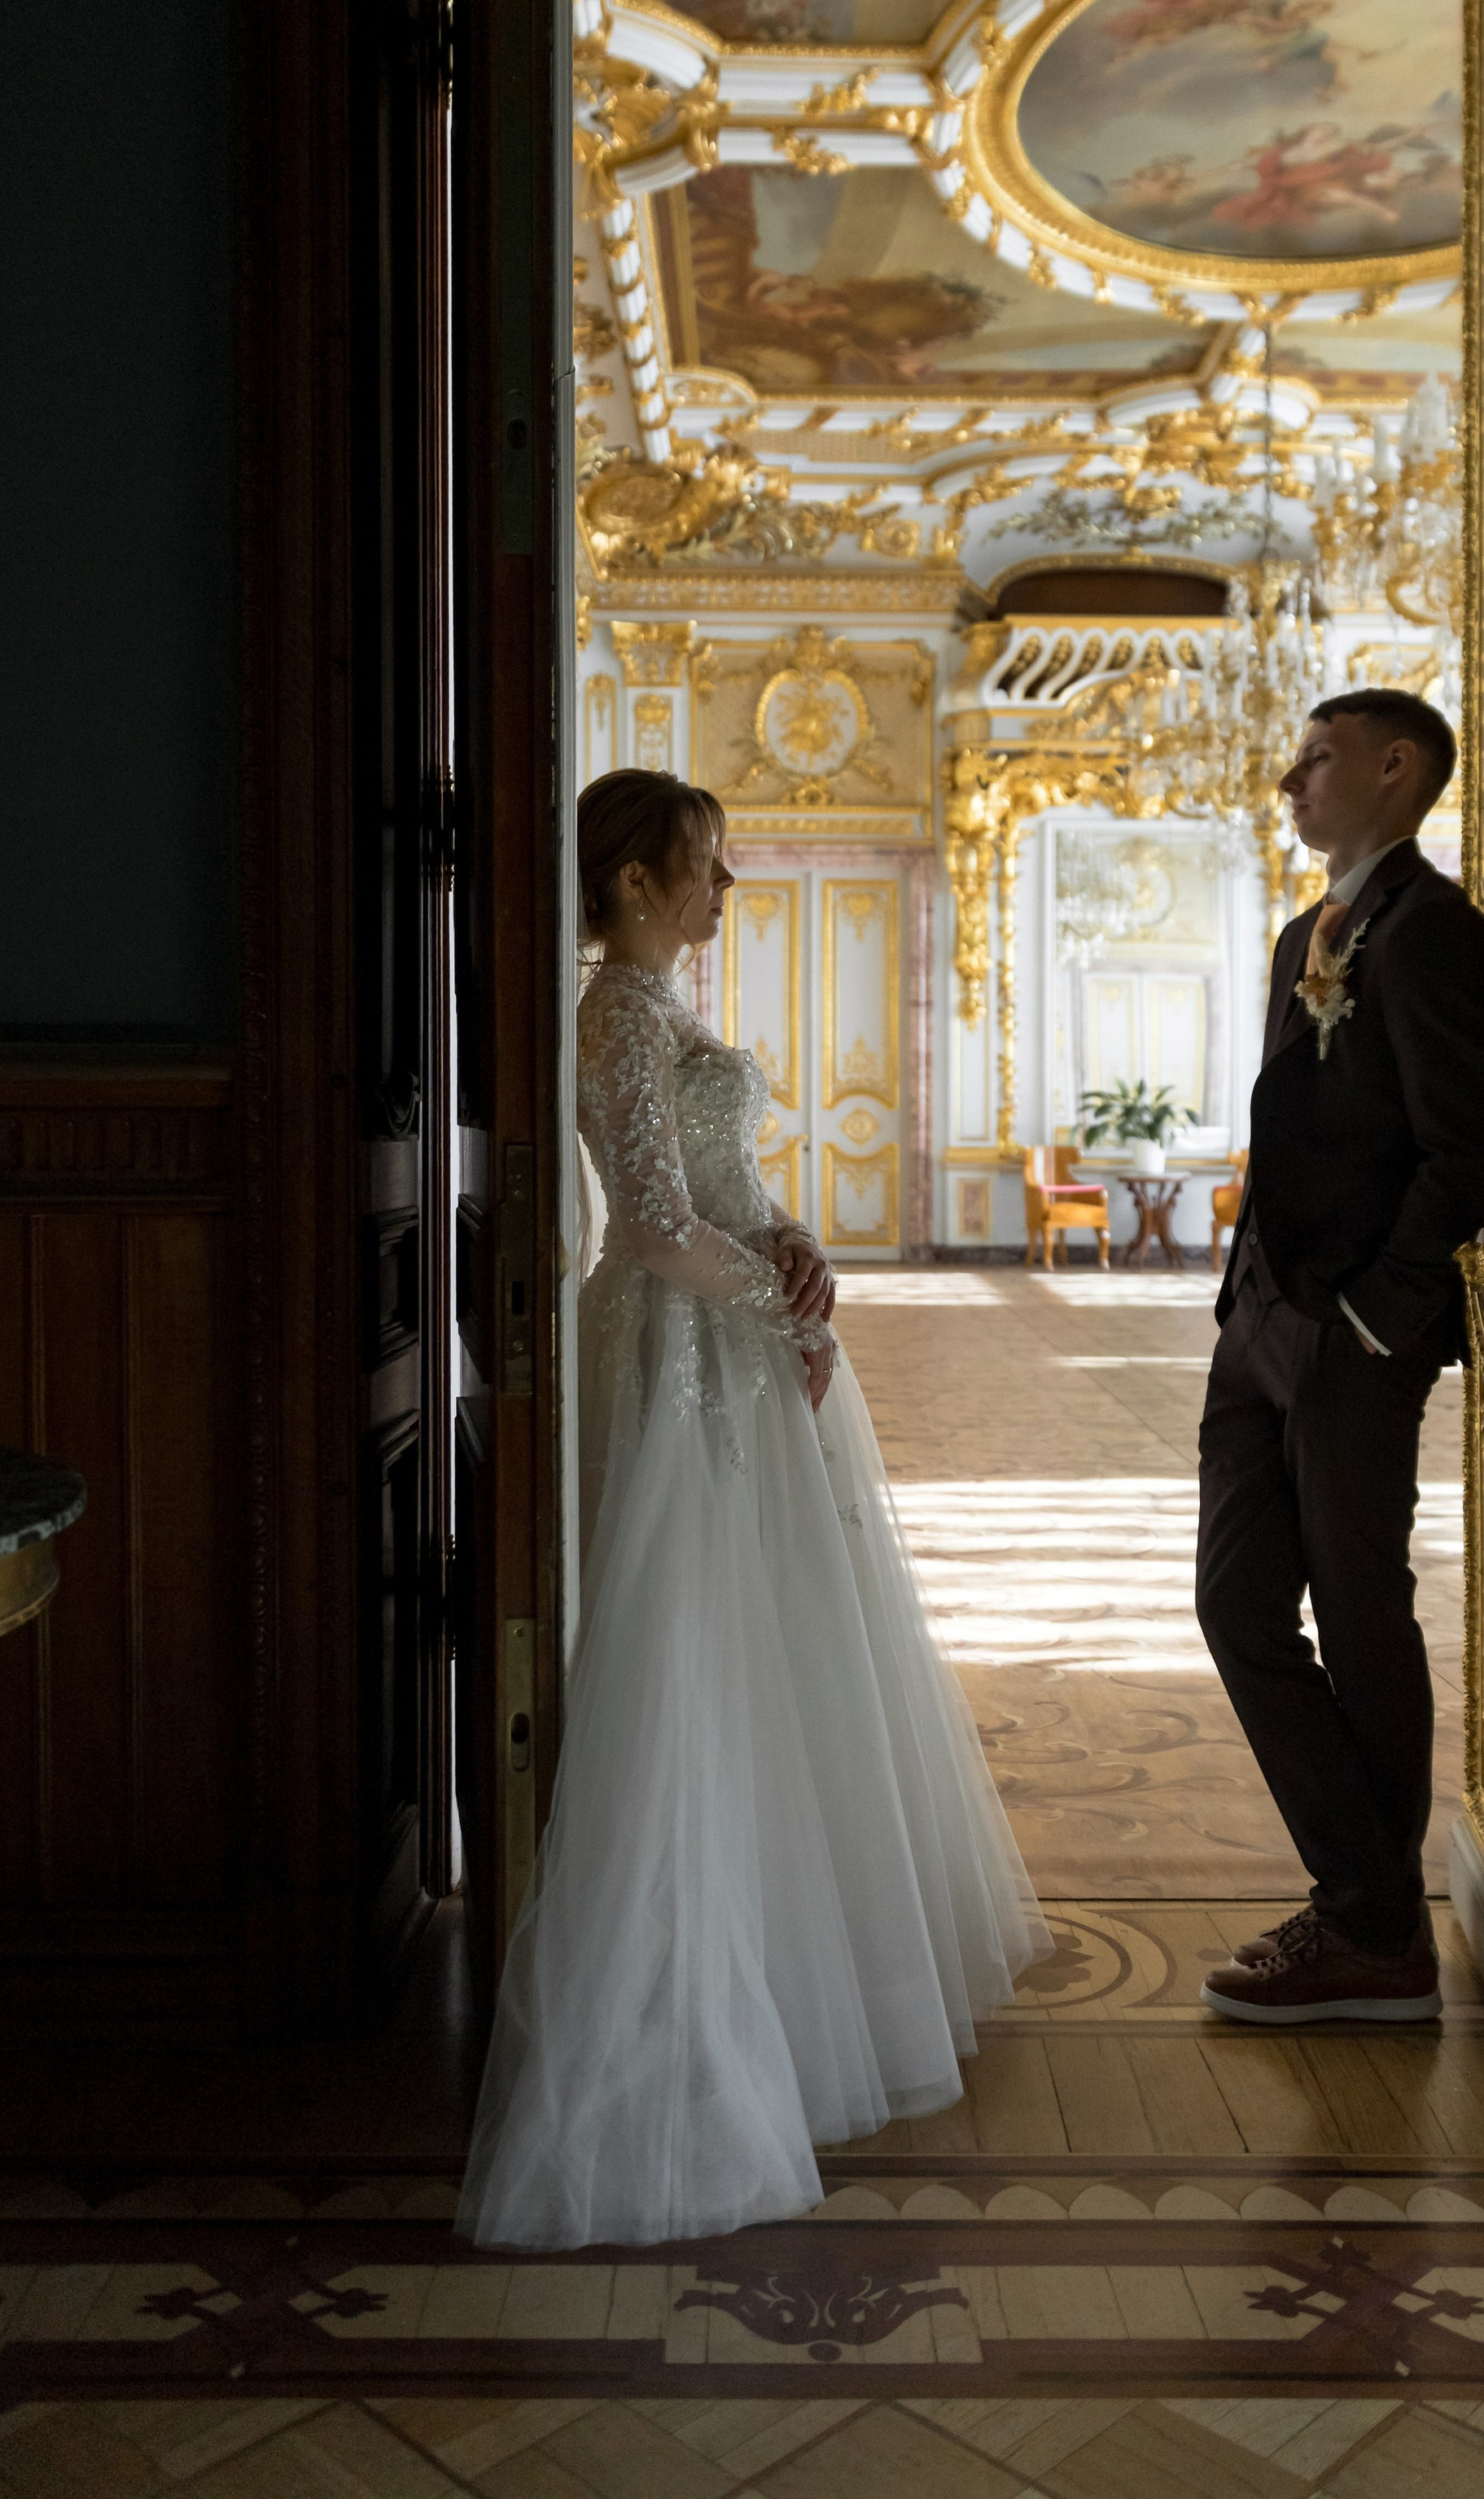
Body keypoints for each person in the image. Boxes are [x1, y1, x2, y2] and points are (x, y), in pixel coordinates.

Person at [457, 771, 1046, 2248]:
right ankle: (682, 2003)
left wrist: (790, 1245)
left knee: (783, 1646)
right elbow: (651, 1228)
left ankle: (797, 1963)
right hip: (676, 1356)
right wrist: (776, 1304)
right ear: (637, 882)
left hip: (729, 1333)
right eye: (707, 868)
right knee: (692, 1656)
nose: (727, 890)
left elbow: (718, 1182)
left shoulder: (661, 1009)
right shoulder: (616, 1010)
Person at [1196, 691, 1484, 2024]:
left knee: (1363, 1611)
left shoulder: (1433, 933)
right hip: (1258, 1324)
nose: (1289, 778)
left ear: (1396, 769)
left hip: (1354, 1339)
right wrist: (1248, 1304)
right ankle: (1373, 1908)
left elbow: (1467, 1149)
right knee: (1235, 1604)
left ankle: (1374, 1931)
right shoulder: (1300, 937)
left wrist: (1381, 1318)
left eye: (1317, 757)